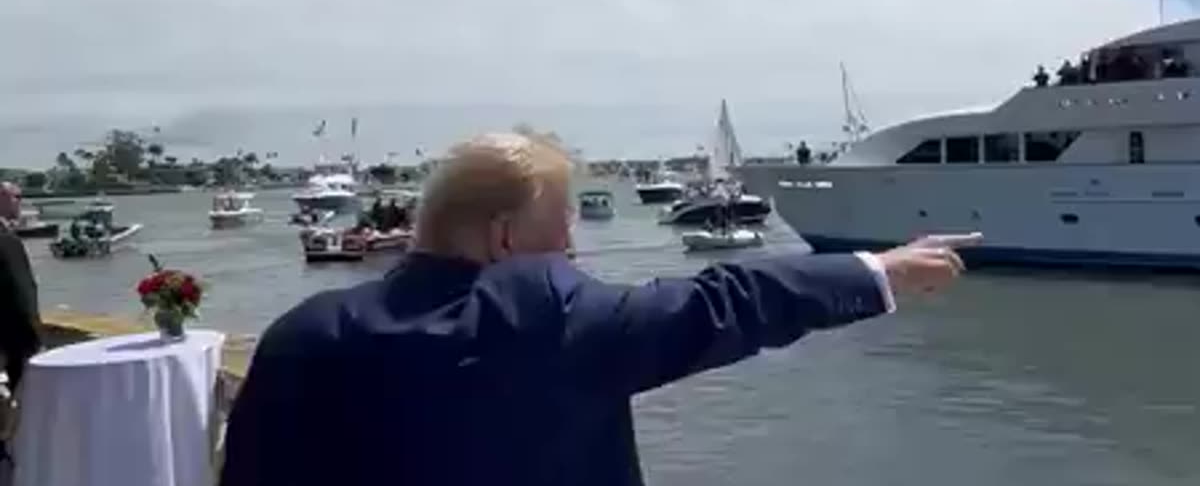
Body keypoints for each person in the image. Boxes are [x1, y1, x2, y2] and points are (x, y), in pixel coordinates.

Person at [220, 133, 977, 486]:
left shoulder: (305, 333)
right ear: (506, 235)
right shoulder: (539, 313)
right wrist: (880, 270)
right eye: (566, 222)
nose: (574, 243)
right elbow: (724, 302)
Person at [0, 183, 41, 472]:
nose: (20, 203)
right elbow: (20, 295)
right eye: (16, 197)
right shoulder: (5, 241)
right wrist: (34, 342)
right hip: (11, 346)